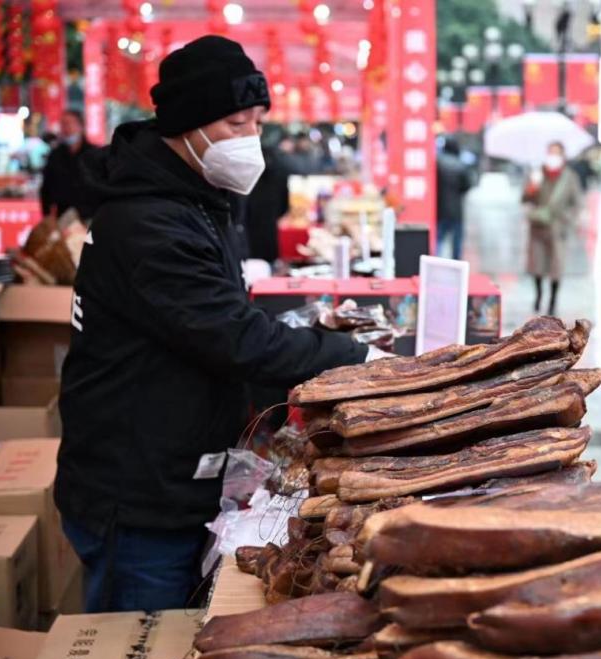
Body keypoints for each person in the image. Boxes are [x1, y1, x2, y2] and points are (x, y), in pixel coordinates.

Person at [57, 36, 376, 614]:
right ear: (188, 124)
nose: (250, 138)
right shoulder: (149, 222)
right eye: (235, 122)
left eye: (257, 121)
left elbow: (213, 320)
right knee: (139, 639)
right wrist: (354, 360)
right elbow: (232, 336)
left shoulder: (193, 199)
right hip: (136, 494)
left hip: (174, 475)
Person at [522, 141, 583, 316]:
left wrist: (568, 218)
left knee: (556, 266)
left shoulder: (570, 177)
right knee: (537, 265)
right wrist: (531, 189)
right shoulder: (536, 174)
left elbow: (577, 203)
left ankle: (553, 300)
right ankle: (539, 295)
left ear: (563, 156)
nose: (552, 157)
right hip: (538, 227)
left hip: (558, 228)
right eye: (550, 152)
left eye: (556, 153)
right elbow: (524, 199)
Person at [39, 109, 97, 218]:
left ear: (81, 126)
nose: (66, 128)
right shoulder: (55, 155)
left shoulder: (94, 154)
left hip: (90, 217)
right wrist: (47, 216)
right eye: (62, 124)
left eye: (69, 123)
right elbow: (45, 189)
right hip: (62, 216)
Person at [436, 136, 473, 261]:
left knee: (438, 240)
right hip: (456, 209)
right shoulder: (461, 165)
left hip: (439, 208)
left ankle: (435, 263)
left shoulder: (437, 163)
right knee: (456, 242)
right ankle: (456, 267)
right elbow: (467, 186)